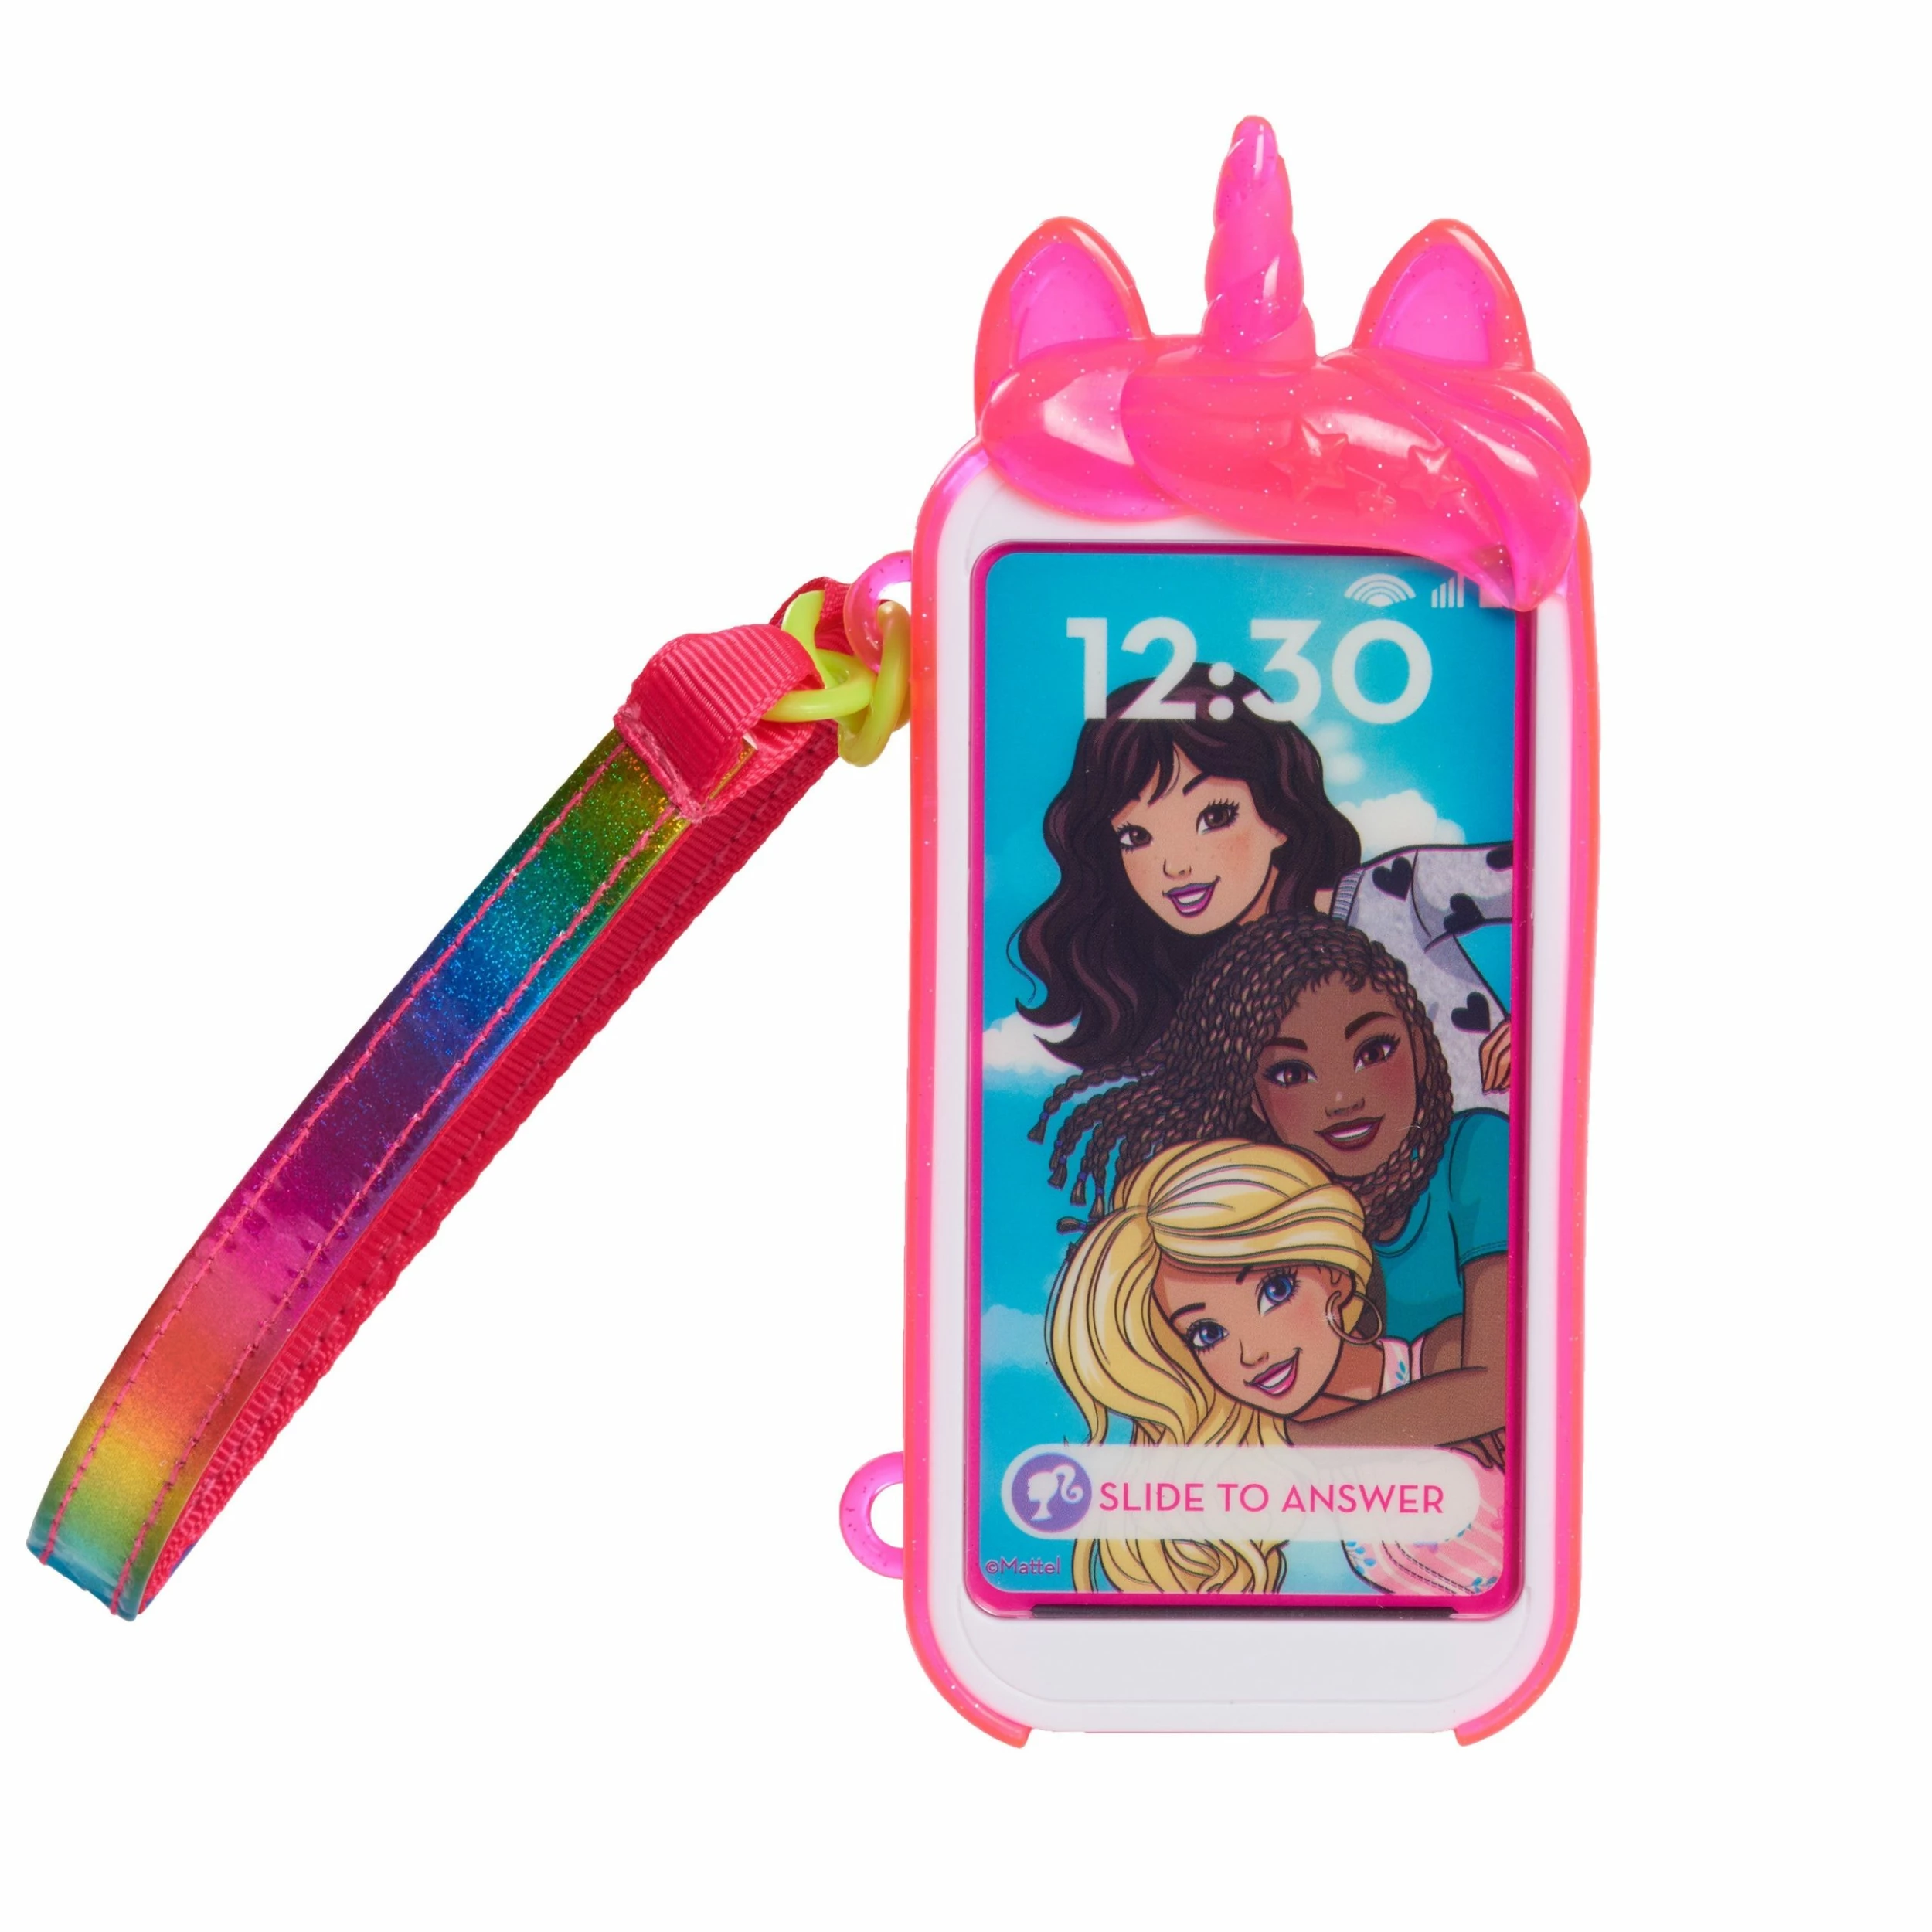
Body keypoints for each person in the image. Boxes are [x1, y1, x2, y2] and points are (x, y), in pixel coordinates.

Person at [1037, 916, 1507, 1448]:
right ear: (1255, 1099)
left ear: (1419, 1049)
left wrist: (1296, 1443)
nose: (1342, 1099)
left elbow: (1497, 1387)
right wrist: (1437, 1413)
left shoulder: (1476, 1151)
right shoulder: (1259, 1217)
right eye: (1292, 1074)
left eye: (1373, 1052)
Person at [1015, 663, 1513, 1110]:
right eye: (1136, 837)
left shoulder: (1394, 896)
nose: (1175, 866)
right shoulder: (1206, 1006)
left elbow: (1544, 879)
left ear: (1277, 817)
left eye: (1214, 816)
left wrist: (1542, 1023)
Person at [1046, 1138, 1503, 1597]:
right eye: (1208, 1333)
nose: (1253, 1354)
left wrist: (1307, 1442)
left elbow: (1496, 1399)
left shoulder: (1445, 1360)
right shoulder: (1261, 1456)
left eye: (1277, 1290)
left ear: (1335, 1275)